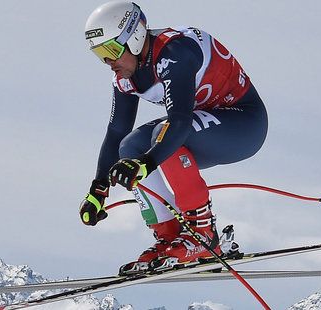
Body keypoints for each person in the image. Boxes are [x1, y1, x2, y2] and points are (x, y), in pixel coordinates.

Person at [79, 1, 268, 275]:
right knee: (129, 146)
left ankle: (202, 233)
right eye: (100, 55)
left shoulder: (175, 52)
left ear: (133, 38)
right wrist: (98, 187)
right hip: (203, 127)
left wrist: (146, 163)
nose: (108, 63)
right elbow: (117, 132)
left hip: (244, 124)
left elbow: (178, 122)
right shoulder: (125, 77)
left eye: (110, 51)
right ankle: (169, 235)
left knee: (161, 135)